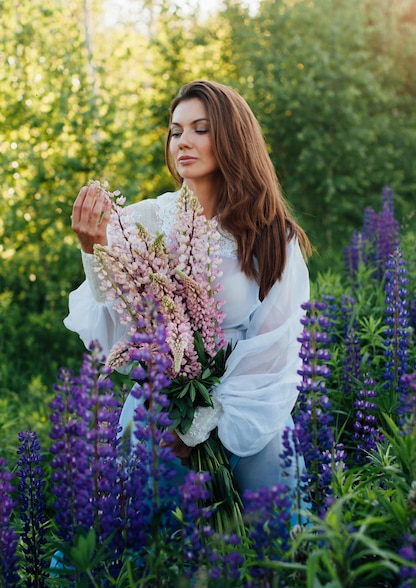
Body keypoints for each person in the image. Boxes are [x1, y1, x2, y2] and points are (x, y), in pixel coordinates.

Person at [64, 80, 311, 498]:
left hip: (252, 412)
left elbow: (277, 344)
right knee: (150, 544)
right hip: (161, 410)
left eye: (200, 129)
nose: (183, 141)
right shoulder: (141, 221)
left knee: (272, 544)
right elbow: (117, 331)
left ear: (233, 139)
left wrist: (207, 421)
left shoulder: (272, 235)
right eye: (176, 131)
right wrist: (95, 252)